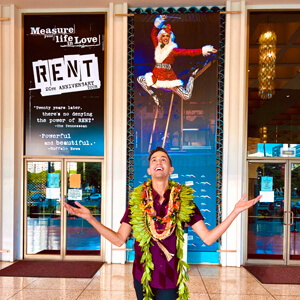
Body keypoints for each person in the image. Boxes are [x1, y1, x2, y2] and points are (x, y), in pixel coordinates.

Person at [63, 147, 261, 300]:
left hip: (170, 275)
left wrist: (234, 212)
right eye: (154, 160)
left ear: (170, 169)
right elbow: (118, 239)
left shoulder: (184, 200)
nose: (159, 162)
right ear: (149, 169)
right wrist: (90, 218)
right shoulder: (137, 201)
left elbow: (209, 238)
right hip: (143, 274)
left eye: (163, 159)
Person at [137, 15, 218, 108]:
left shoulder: (173, 50)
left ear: (170, 38)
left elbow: (189, 52)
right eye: (163, 36)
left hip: (169, 79)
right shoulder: (158, 46)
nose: (165, 38)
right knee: (140, 79)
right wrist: (159, 22)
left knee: (186, 96)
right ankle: (154, 96)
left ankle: (192, 75)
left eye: (167, 36)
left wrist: (206, 49)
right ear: (161, 37)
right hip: (156, 77)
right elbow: (153, 34)